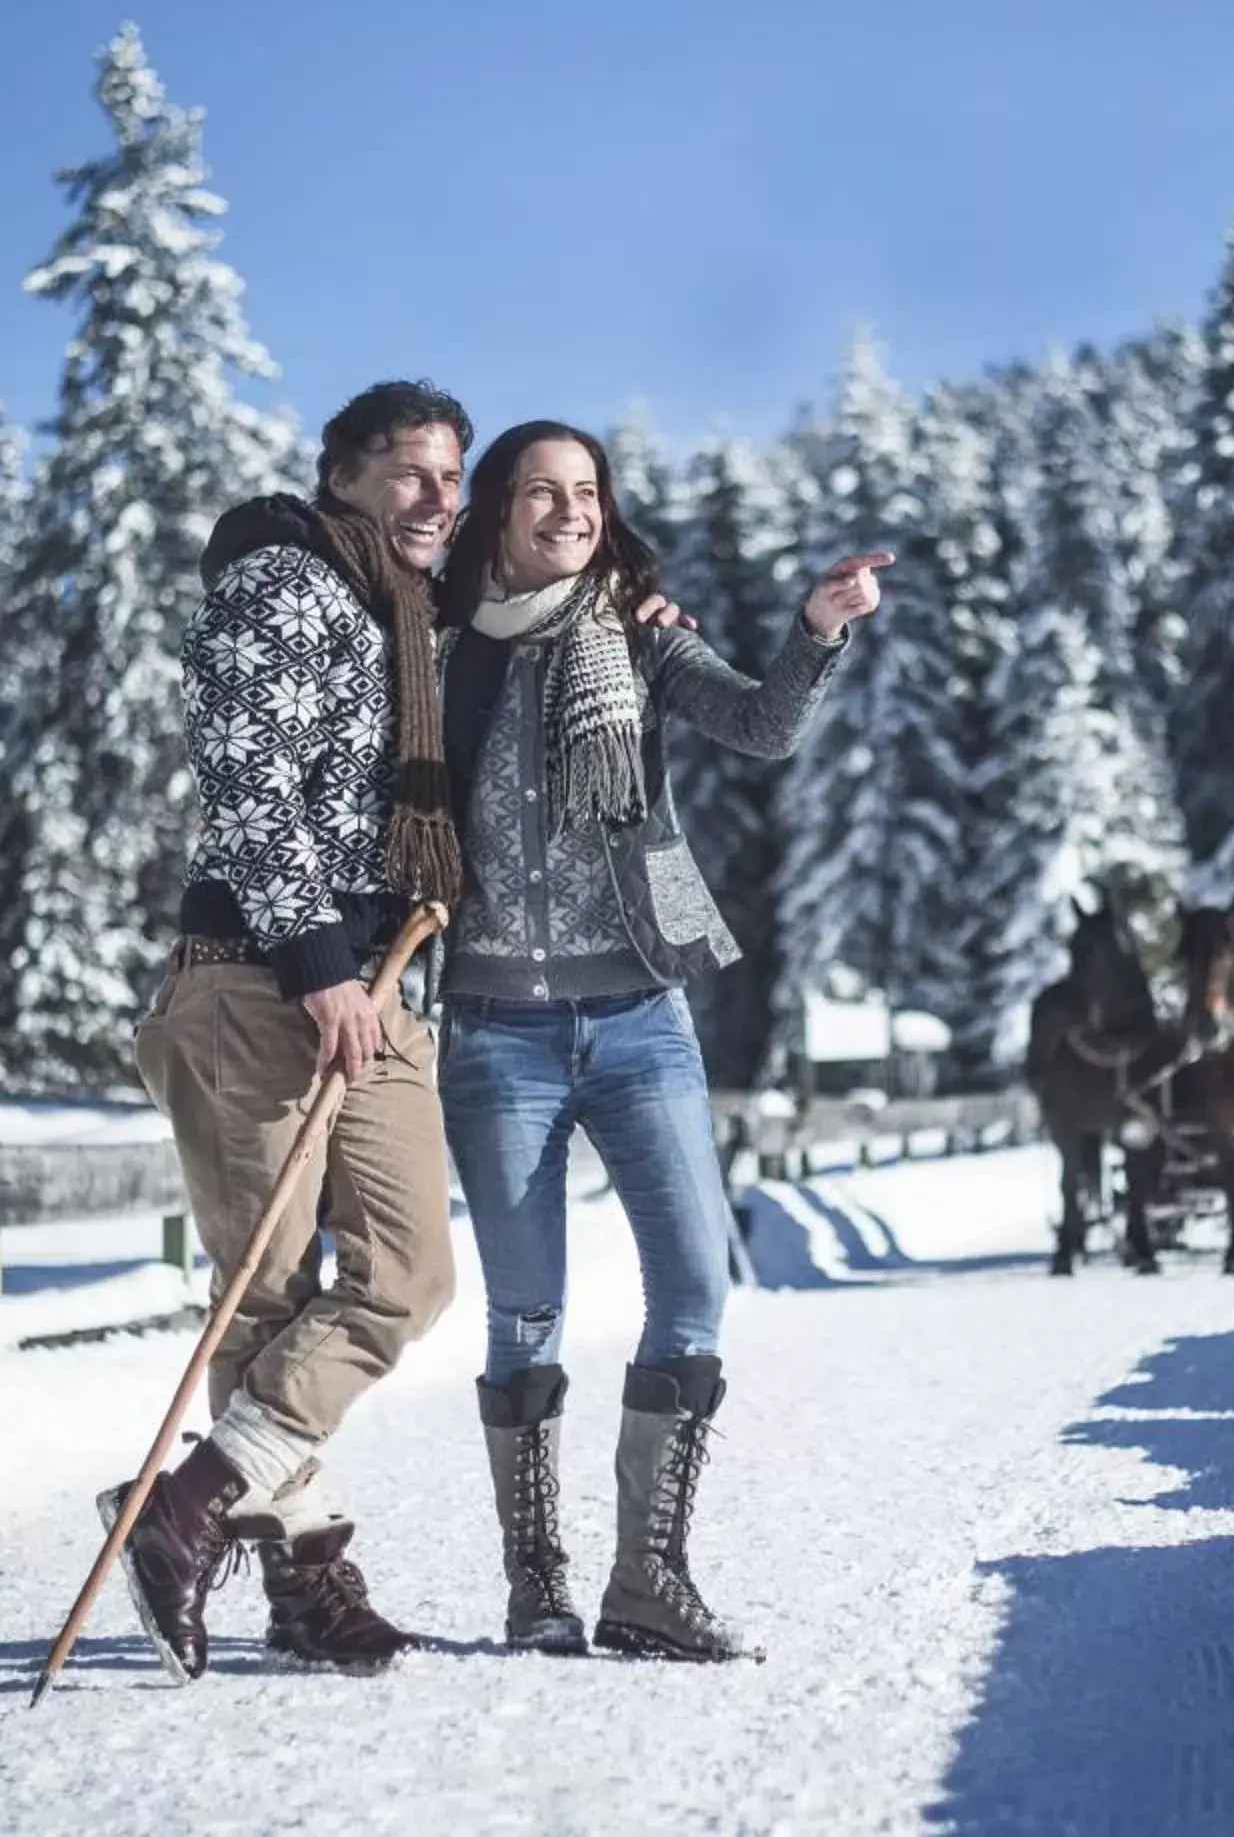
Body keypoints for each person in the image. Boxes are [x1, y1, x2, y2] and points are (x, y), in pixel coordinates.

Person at [435, 420, 886, 1661]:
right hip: (494, 1029)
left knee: (696, 1283)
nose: (569, 512)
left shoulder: (637, 631)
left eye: (586, 492)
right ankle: (538, 1588)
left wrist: (817, 631)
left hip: (642, 1011)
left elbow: (760, 726)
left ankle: (649, 1578)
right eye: (542, 492)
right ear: (497, 509)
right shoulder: (437, 642)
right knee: (524, 1313)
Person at [100, 381, 476, 1684]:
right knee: (263, 1292)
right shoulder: (286, 578)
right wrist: (319, 965)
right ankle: (307, 1575)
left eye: (452, 477)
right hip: (260, 975)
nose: (439, 499)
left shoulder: (406, 613)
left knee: (409, 1272)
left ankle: (192, 1498)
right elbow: (249, 782)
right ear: (343, 471)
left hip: (373, 973)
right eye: (412, 472)